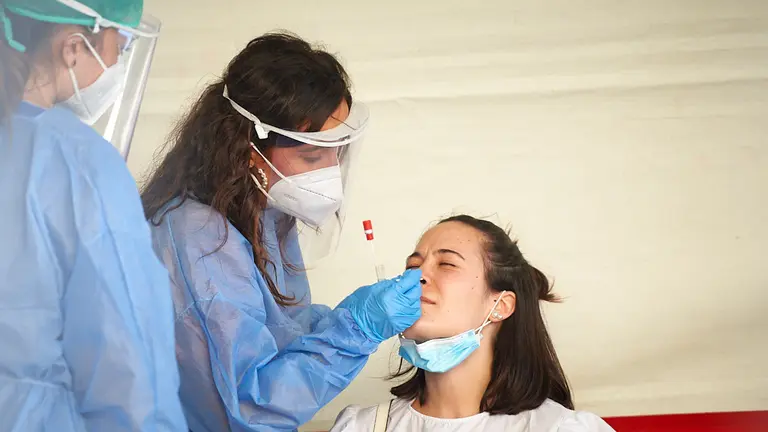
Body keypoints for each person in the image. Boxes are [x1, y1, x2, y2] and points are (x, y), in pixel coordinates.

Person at [140, 32, 423, 432]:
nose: (330, 171)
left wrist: (343, 321)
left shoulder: (263, 209)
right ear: (247, 147)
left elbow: (279, 334)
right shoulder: (199, 239)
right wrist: (356, 329)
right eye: (312, 154)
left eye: (337, 150)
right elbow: (248, 408)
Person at [0, 0, 187, 430]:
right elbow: (128, 368)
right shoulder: (78, 162)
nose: (117, 65)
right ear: (73, 47)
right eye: (118, 49)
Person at [331, 215, 616, 432]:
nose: (416, 278)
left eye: (447, 264)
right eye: (413, 266)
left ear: (500, 306)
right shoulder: (361, 426)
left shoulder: (563, 428)